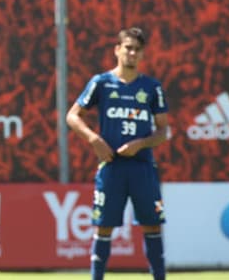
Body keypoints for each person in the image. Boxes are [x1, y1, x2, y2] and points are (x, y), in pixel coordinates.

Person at [66, 27, 169, 280]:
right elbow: (72, 116)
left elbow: (163, 131)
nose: (132, 53)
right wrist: (94, 139)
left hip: (142, 167)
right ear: (117, 50)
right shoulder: (101, 83)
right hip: (112, 167)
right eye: (128, 47)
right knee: (104, 227)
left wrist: (141, 143)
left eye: (137, 49)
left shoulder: (151, 87)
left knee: (152, 225)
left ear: (142, 54)